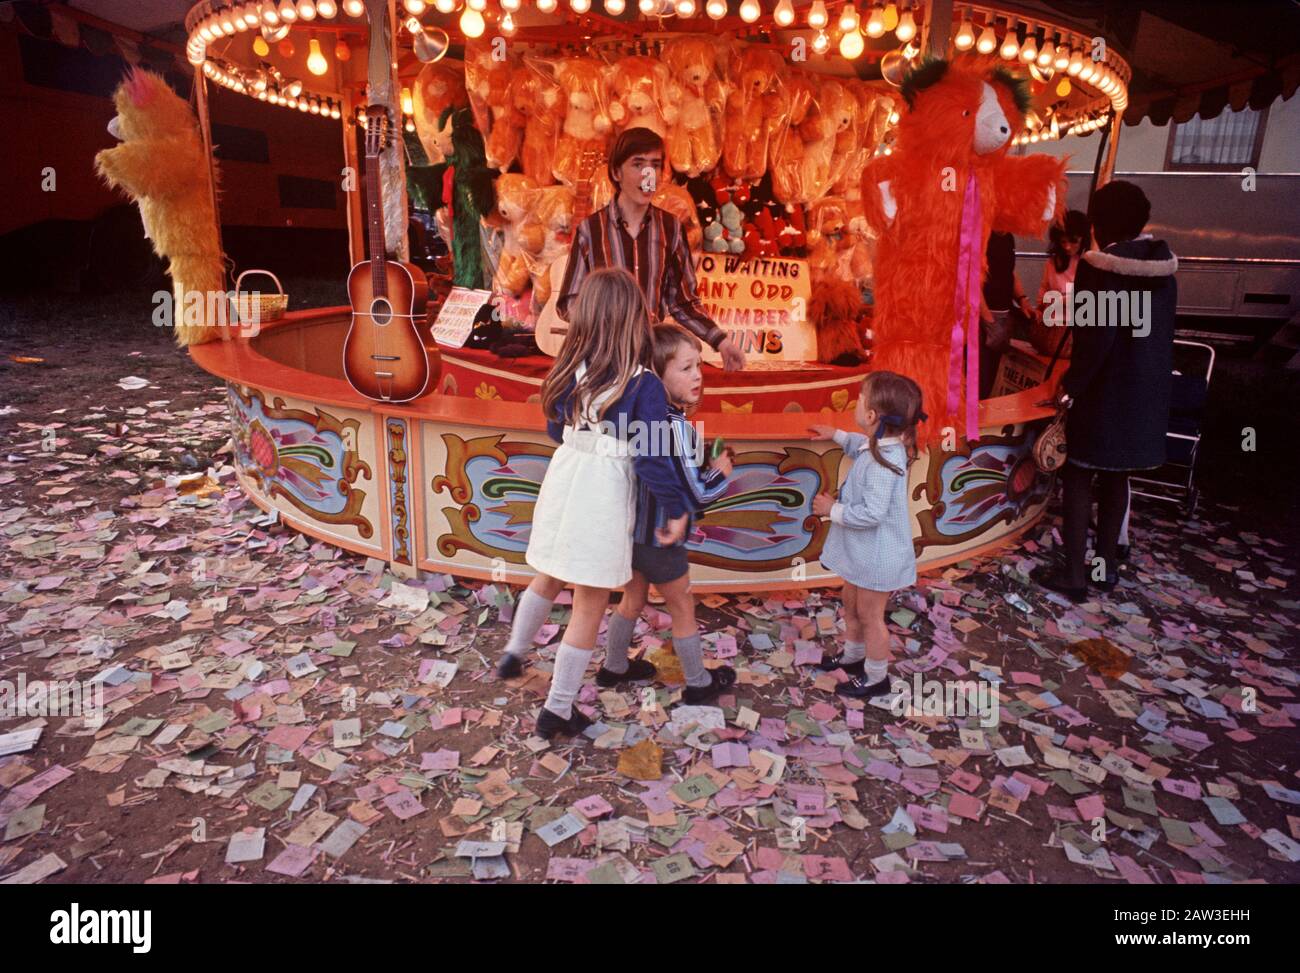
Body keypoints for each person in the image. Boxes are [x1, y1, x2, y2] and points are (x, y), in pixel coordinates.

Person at [495, 268, 692, 739]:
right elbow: (651, 458)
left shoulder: (569, 369)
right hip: (602, 494)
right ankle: (558, 709)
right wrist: (677, 507)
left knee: (548, 572)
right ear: (634, 321)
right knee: (588, 604)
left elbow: (553, 430)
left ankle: (515, 652)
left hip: (566, 480)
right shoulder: (644, 385)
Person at [1033, 181, 1177, 602]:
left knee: (1078, 477)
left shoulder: (1101, 268)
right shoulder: (1165, 268)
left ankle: (1075, 576)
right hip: (1144, 394)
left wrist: (1071, 386)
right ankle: (1105, 567)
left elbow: (1097, 339)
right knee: (1117, 480)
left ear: (1100, 223)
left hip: (1105, 393)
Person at [602, 324, 737, 704]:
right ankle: (697, 682)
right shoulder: (673, 426)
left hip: (633, 533)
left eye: (699, 366)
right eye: (685, 368)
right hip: (663, 537)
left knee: (631, 599)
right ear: (656, 375)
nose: (697, 375)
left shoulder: (638, 416)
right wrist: (720, 472)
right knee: (682, 606)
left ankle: (614, 666)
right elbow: (697, 492)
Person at [556, 127, 747, 372]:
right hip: (603, 366)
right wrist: (604, 327)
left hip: (651, 364)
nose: (648, 175)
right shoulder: (590, 231)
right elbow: (569, 302)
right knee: (619, 413)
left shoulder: (672, 229)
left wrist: (722, 342)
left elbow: (684, 302)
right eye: (638, 164)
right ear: (616, 172)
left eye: (655, 165)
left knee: (649, 411)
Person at [808, 371, 925, 700]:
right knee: (852, 604)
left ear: (872, 416)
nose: (856, 403)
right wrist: (837, 435)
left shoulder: (884, 462)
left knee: (871, 616)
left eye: (859, 399)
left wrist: (832, 510)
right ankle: (854, 656)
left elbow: (872, 514)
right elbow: (861, 446)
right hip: (865, 553)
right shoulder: (879, 445)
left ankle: (876, 677)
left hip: (879, 556)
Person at [1028, 209, 1091, 358]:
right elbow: (1044, 288)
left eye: (1073, 241)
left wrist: (1058, 300)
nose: (1067, 246)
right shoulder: (1054, 261)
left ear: (1083, 238)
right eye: (1063, 242)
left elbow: (1088, 296)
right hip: (1051, 327)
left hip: (1076, 329)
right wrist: (1039, 308)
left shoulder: (1089, 262)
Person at [979, 231, 1032, 397]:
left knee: (996, 377)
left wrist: (1022, 299)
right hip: (982, 318)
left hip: (1004, 314)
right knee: (982, 379)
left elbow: (1010, 272)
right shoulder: (982, 234)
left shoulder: (1008, 236)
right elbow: (972, 281)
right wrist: (989, 322)